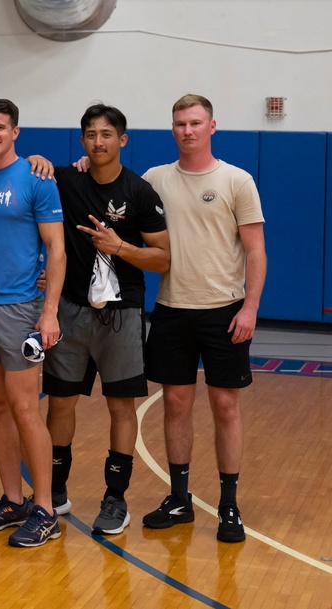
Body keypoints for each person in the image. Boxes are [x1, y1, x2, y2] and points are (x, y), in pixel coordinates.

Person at [140, 94, 265, 544]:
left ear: (212, 126)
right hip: (172, 310)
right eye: (179, 123)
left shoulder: (236, 180)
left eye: (195, 123)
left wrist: (249, 308)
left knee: (225, 406)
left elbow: (255, 250)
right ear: (172, 128)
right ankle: (179, 498)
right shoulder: (153, 180)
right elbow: (110, 194)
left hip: (225, 311)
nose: (187, 130)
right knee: (175, 404)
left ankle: (229, 505)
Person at [40, 104, 169, 536]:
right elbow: (25, 178)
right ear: (83, 141)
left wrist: (121, 247)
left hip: (121, 314)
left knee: (120, 406)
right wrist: (36, 160)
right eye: (91, 135)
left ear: (122, 140)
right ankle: (55, 489)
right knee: (60, 403)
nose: (99, 142)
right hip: (71, 312)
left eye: (107, 134)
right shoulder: (66, 180)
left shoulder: (141, 192)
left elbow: (164, 258)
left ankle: (116, 498)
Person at [0, 98, 66, 547]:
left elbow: (56, 250)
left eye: (0, 127)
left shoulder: (37, 178)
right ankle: (12, 499)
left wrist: (49, 312)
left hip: (20, 309)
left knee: (24, 408)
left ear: (15, 132)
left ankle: (44, 509)